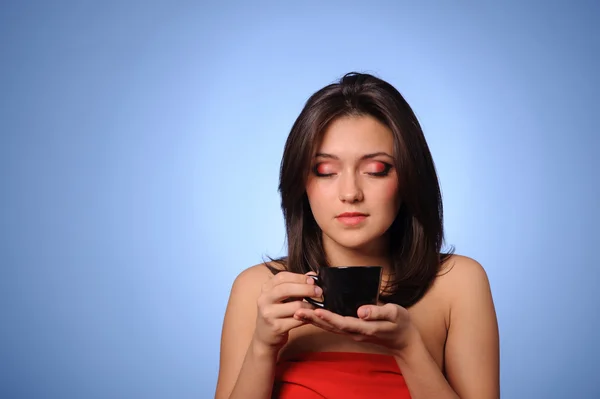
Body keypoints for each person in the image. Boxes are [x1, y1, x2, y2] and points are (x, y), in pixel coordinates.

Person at [214, 72, 499, 399]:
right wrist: (262, 348)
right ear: (301, 184)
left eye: (376, 170)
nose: (350, 193)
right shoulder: (257, 291)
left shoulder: (458, 283)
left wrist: (409, 349)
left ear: (409, 179)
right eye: (325, 171)